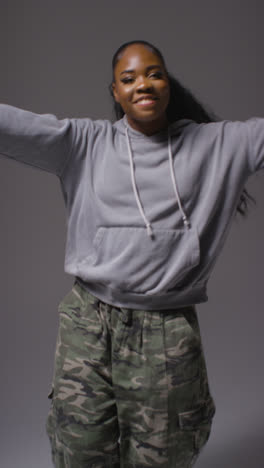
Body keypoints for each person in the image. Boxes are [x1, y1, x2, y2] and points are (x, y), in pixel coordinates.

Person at [0, 39, 261, 468]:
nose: (143, 84)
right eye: (130, 78)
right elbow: (15, 125)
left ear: (167, 84)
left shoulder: (218, 145)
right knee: (78, 449)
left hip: (165, 331)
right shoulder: (85, 143)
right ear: (116, 92)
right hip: (89, 323)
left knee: (164, 456)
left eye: (154, 73)